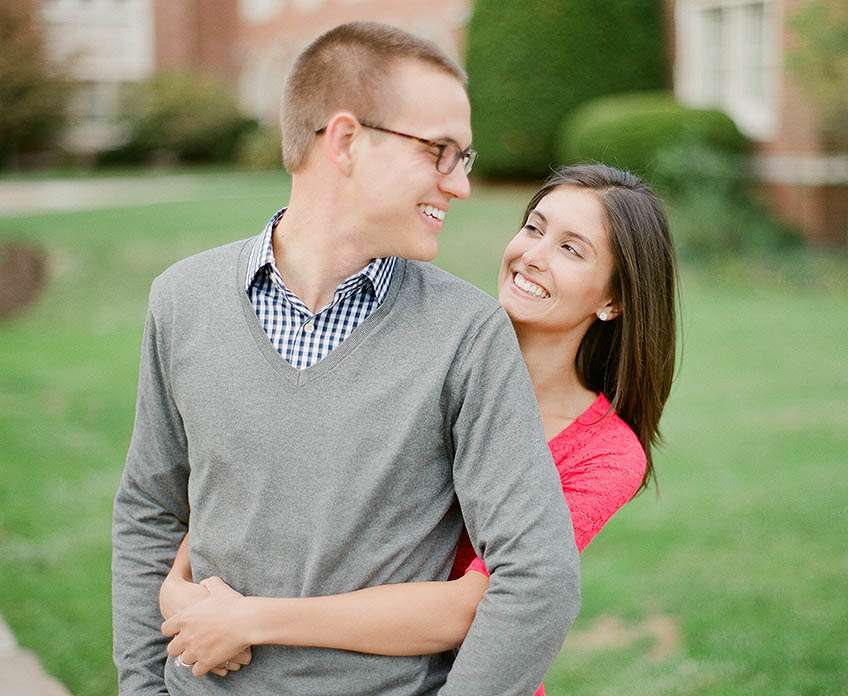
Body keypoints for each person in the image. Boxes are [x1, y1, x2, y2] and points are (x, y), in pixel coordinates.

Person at [111, 21, 581, 696]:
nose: (460, 186)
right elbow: (149, 514)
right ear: (347, 141)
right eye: (440, 152)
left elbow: (539, 576)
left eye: (465, 159)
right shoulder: (182, 301)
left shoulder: (467, 334)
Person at [157, 164, 679, 694]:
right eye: (534, 228)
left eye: (572, 249)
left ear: (613, 299)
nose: (533, 256)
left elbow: (478, 605)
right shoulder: (431, 347)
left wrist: (250, 619)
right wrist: (180, 587)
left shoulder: (605, 453)